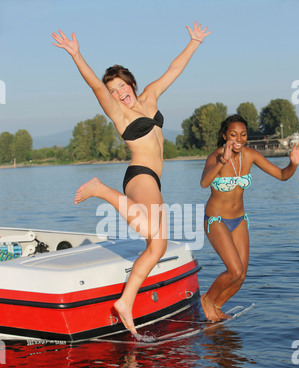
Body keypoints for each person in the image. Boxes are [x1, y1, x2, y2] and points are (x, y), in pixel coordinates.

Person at [52, 22, 212, 335]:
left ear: (131, 83)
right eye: (113, 91)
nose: (118, 93)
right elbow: (96, 88)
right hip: (140, 175)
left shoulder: (151, 96)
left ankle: (125, 301)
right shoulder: (119, 113)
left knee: (156, 247)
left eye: (122, 87)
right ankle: (101, 189)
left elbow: (174, 68)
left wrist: (194, 42)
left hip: (154, 177)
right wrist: (76, 55)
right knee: (155, 236)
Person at [200, 114, 299, 323]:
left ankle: (217, 306)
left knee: (241, 275)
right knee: (234, 269)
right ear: (224, 135)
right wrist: (222, 161)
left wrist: (293, 164)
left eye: (243, 134)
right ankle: (208, 300)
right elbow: (204, 182)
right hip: (215, 220)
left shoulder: (250, 155)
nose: (239, 139)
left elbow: (282, 175)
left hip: (239, 220)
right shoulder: (215, 157)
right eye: (233, 134)